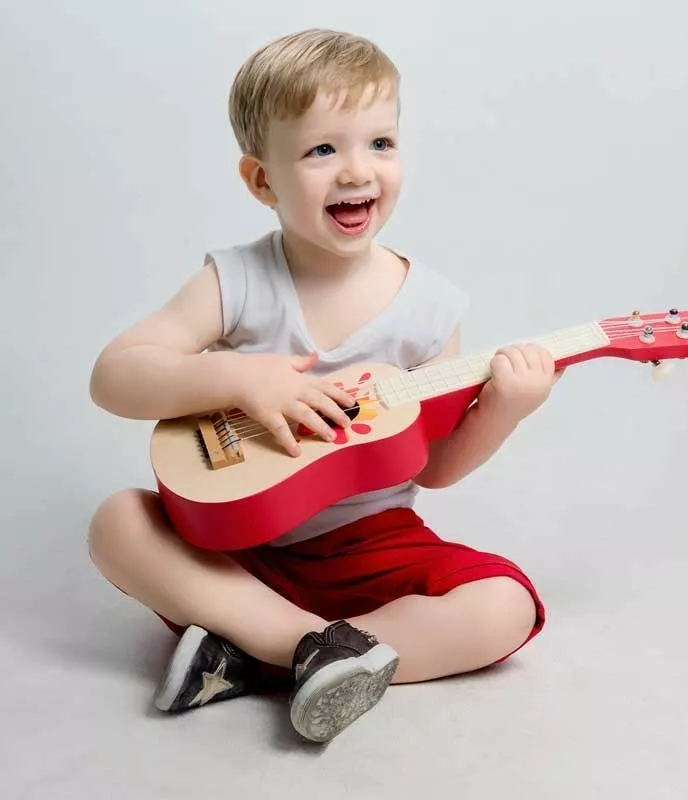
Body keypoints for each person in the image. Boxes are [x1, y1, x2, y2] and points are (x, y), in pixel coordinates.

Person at [87, 28, 562, 745]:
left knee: (506, 606)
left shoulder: (430, 309)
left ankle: (256, 653)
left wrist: (506, 407)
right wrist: (239, 376)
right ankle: (317, 651)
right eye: (321, 150)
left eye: (379, 143)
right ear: (261, 180)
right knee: (117, 522)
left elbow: (430, 468)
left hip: (371, 545)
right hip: (238, 550)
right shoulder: (239, 282)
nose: (354, 171)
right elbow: (113, 376)